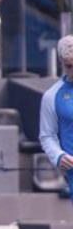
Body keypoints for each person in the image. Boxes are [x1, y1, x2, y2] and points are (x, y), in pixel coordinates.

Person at [39, 36, 73, 196]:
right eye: (69, 66)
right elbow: (47, 136)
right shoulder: (52, 96)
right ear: (61, 62)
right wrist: (58, 155)